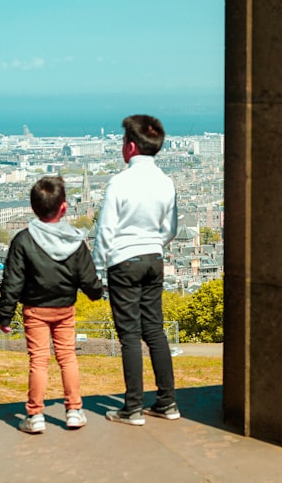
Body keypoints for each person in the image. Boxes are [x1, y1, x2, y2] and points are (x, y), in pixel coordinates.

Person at [0, 176, 104, 434]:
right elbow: (87, 277)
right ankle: (74, 411)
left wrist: (5, 315)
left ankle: (35, 415)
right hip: (65, 309)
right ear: (64, 207)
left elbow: (12, 280)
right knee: (67, 357)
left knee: (39, 361)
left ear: (33, 207)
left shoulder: (23, 240)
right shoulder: (74, 241)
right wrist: (97, 293)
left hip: (34, 309)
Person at [93, 114, 180, 426]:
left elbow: (105, 230)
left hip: (123, 261)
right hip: (153, 258)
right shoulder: (166, 182)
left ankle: (132, 408)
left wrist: (99, 271)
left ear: (129, 147)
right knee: (154, 330)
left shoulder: (120, 182)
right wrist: (154, 244)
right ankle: (167, 402)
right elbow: (171, 228)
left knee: (129, 334)